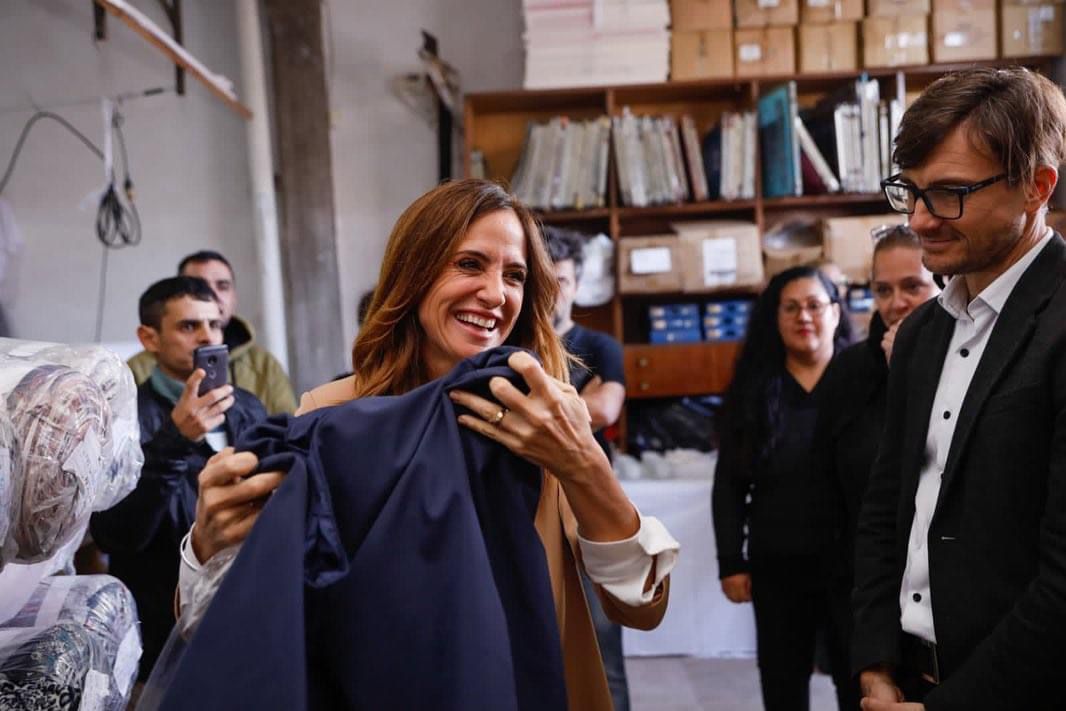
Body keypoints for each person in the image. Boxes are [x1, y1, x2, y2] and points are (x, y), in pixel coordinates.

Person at [176, 179, 679, 710]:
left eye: (515, 276)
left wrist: (584, 464)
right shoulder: (331, 415)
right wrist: (209, 547)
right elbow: (231, 613)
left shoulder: (542, 418)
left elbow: (639, 604)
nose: (495, 293)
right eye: (469, 264)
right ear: (413, 275)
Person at [853, 66, 1066, 710]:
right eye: (909, 192)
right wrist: (873, 661)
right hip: (908, 676)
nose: (919, 220)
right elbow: (886, 508)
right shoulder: (921, 333)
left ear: (1036, 186)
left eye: (949, 193)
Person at [90, 276, 266, 683]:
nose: (208, 336)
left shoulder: (248, 408)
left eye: (215, 324)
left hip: (247, 612)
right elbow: (115, 535)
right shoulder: (121, 420)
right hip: (162, 631)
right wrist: (176, 439)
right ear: (148, 338)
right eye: (189, 326)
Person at [712, 265, 853, 711]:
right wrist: (731, 561)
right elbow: (729, 486)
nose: (803, 317)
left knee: (860, 681)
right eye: (790, 307)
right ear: (774, 318)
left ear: (835, 312)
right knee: (782, 683)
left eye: (814, 305)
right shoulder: (754, 390)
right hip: (778, 566)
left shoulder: (864, 380)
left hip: (854, 568)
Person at [814, 225, 940, 710]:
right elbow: (828, 485)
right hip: (862, 585)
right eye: (882, 290)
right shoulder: (847, 372)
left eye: (912, 286)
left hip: (938, 589)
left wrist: (906, 371)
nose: (896, 302)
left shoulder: (959, 360)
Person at [544, 225, 630, 711]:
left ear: (577, 284)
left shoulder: (601, 347)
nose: (555, 291)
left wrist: (538, 407)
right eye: (545, 279)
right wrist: (581, 399)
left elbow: (607, 411)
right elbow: (588, 409)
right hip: (530, 502)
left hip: (590, 511)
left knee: (603, 643)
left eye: (563, 280)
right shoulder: (513, 345)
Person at [127, 250, 297, 415]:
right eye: (188, 326)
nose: (211, 295)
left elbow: (290, 434)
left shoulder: (260, 375)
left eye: (222, 286)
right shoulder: (134, 382)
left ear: (234, 296)